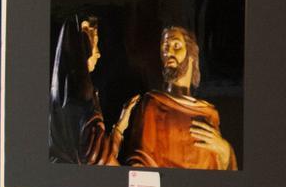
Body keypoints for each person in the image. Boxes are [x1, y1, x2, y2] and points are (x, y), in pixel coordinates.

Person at [119, 26, 237, 169]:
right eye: (165, 47)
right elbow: (140, 158)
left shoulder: (208, 112)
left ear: (191, 54)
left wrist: (225, 150)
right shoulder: (153, 104)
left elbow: (220, 173)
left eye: (176, 45)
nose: (168, 52)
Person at [49, 15, 136, 165]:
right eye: (95, 44)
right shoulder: (81, 97)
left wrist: (120, 127)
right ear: (83, 46)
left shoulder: (63, 94)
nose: (98, 53)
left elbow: (98, 153)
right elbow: (99, 160)